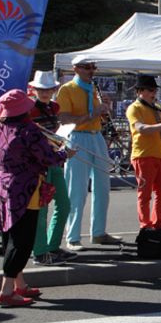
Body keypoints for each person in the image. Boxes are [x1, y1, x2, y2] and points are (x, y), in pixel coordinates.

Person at [0, 89, 73, 306]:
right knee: (22, 242)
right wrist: (66, 153)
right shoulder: (28, 131)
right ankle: (6, 291)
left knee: (10, 238)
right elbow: (48, 158)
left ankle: (19, 284)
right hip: (24, 190)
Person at [56, 55, 117, 250]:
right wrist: (93, 113)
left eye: (93, 67)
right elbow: (64, 120)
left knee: (102, 188)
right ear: (76, 69)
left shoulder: (94, 89)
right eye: (87, 67)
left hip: (96, 136)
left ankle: (98, 232)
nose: (91, 71)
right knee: (77, 190)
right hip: (77, 137)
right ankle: (72, 237)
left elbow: (101, 116)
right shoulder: (67, 90)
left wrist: (106, 109)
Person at [27, 70, 74, 266]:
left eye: (48, 89)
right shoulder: (29, 108)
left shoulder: (54, 107)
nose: (45, 92)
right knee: (41, 208)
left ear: (54, 90)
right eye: (41, 89)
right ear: (34, 89)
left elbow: (54, 132)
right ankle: (40, 252)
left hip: (54, 160)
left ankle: (52, 246)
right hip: (40, 165)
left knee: (64, 205)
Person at [125, 73, 161, 234]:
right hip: (143, 155)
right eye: (150, 90)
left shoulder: (158, 108)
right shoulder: (134, 108)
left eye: (154, 90)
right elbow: (141, 129)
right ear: (139, 91)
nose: (153, 93)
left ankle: (158, 222)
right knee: (145, 194)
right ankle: (145, 225)